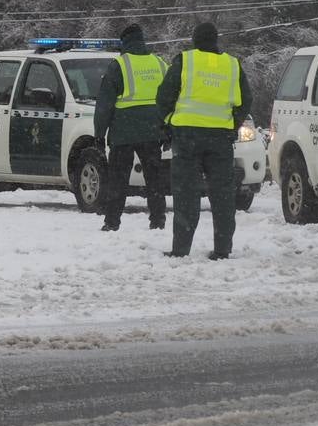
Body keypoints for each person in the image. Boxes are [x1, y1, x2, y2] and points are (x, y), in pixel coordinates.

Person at [156, 22, 251, 260]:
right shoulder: (232, 65)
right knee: (222, 195)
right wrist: (232, 126)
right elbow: (245, 101)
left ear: (195, 39)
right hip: (220, 138)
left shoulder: (185, 61)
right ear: (216, 40)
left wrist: (169, 122)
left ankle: (181, 249)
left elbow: (164, 95)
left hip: (187, 136)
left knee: (186, 194)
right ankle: (222, 248)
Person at [93, 23, 168, 232]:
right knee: (154, 179)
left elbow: (104, 103)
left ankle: (112, 222)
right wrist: (168, 128)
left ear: (124, 42)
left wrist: (99, 133)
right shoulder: (160, 63)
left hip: (123, 132)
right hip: (153, 131)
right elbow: (172, 96)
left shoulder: (120, 64)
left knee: (118, 179)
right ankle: (158, 220)